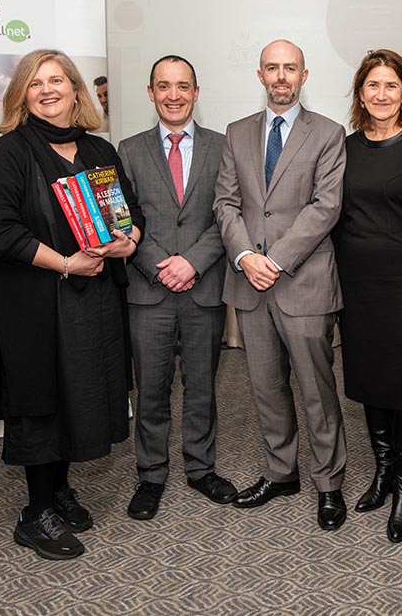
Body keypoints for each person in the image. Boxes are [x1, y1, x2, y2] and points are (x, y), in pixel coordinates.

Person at [0, 49, 145, 560]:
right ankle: (35, 512)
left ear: (75, 88)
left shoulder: (98, 149)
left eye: (56, 80)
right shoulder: (9, 153)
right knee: (43, 400)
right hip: (38, 303)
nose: (47, 90)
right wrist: (67, 264)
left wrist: (129, 240)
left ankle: (59, 489)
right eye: (35, 83)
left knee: (80, 394)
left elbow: (130, 213)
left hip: (94, 300)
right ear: (22, 95)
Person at [213, 39, 349, 531]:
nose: (281, 76)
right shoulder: (237, 132)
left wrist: (275, 260)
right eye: (272, 68)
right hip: (249, 283)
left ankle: (328, 482)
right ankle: (281, 472)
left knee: (317, 389)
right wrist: (246, 256)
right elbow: (226, 203)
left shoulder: (329, 133)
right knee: (266, 387)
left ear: (304, 76)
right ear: (260, 75)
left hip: (304, 281)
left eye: (290, 68)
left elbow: (325, 207)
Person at [117, 55, 235, 519]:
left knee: (202, 386)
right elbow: (122, 220)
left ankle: (201, 469)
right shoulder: (128, 149)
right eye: (163, 86)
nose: (173, 95)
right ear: (150, 93)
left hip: (203, 286)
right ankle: (151, 476)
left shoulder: (223, 147)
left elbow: (229, 214)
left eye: (182, 86)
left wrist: (193, 263)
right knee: (151, 389)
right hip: (149, 290)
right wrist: (159, 266)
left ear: (196, 92)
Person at [334, 49, 402, 543]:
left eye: (391, 86)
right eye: (372, 85)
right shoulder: (345, 147)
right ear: (361, 94)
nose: (381, 94)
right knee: (370, 380)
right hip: (357, 285)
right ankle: (381, 472)